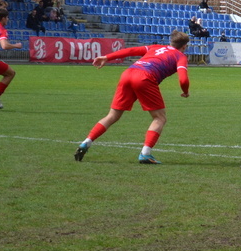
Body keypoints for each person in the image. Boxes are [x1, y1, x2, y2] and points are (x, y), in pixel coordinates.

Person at [73, 30, 191, 164]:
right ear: (184, 46)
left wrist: (107, 57)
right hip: (145, 77)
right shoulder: (180, 56)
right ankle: (145, 154)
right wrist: (185, 91)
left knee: (112, 115)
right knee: (159, 118)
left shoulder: (156, 47)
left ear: (171, 42)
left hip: (128, 73)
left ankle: (86, 142)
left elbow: (131, 50)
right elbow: (183, 80)